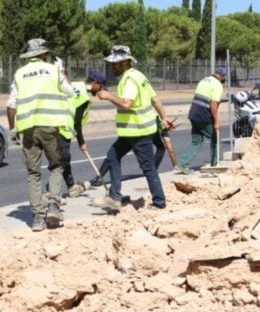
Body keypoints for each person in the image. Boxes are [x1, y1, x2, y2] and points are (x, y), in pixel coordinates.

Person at [93, 45, 174, 210]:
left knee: (148, 167)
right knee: (112, 156)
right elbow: (155, 99)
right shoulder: (139, 76)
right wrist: (164, 118)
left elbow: (126, 104)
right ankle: (114, 197)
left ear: (124, 62)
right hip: (133, 131)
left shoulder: (129, 79)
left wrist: (108, 96)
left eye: (114, 63)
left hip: (138, 131)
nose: (112, 66)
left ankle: (159, 202)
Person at [6, 38, 74, 231]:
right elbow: (70, 92)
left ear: (30, 56)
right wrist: (61, 71)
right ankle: (53, 205)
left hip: (28, 129)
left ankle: (37, 218)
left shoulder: (20, 74)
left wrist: (13, 128)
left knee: (33, 173)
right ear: (44, 54)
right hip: (50, 127)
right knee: (56, 165)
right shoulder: (53, 70)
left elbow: (11, 105)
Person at [57, 70, 107, 200]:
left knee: (63, 159)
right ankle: (50, 192)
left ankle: (71, 186)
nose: (100, 90)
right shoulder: (84, 97)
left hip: (55, 123)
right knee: (62, 160)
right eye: (100, 86)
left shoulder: (76, 84)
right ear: (95, 83)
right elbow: (77, 122)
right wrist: (81, 142)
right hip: (64, 128)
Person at [90, 116, 176, 187]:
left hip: (131, 128)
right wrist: (175, 167)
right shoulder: (162, 127)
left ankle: (98, 177)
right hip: (140, 133)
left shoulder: (157, 117)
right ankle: (153, 171)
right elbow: (170, 149)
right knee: (158, 150)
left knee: (115, 153)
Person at [174, 67, 227, 175]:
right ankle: (214, 165)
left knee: (196, 141)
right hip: (204, 116)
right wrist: (216, 122)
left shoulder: (204, 80)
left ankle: (182, 164)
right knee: (214, 140)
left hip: (194, 114)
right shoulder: (217, 85)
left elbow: (207, 98)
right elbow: (213, 104)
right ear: (222, 77)